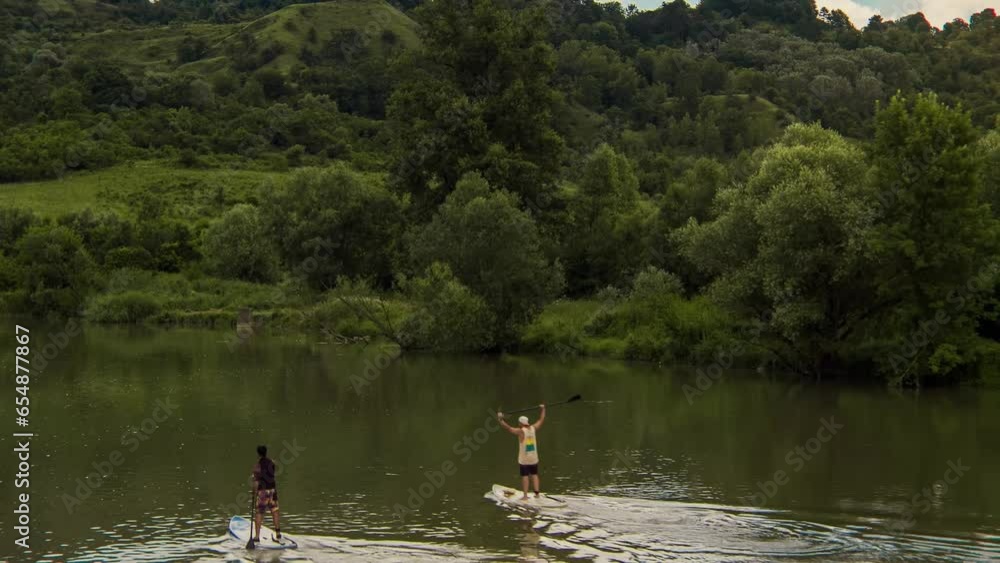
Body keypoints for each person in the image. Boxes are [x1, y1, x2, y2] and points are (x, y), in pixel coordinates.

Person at [498, 404, 546, 499]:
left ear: (521, 423)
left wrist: (500, 419)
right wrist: (543, 409)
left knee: (525, 476)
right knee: (535, 475)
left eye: (519, 423)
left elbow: (508, 428)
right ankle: (537, 494)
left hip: (524, 460)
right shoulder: (533, 428)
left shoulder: (520, 431)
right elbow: (541, 419)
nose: (518, 424)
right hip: (534, 458)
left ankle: (525, 496)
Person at [251, 445, 281, 546]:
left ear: (258, 454)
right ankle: (278, 533)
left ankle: (257, 536)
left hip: (262, 491)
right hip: (272, 490)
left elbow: (256, 481)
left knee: (259, 513)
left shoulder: (257, 466)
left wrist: (254, 493)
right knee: (274, 510)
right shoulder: (272, 463)